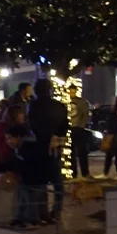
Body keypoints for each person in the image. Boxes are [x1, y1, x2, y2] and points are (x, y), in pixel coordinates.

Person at [28, 78, 69, 224]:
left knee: (40, 180)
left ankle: (42, 211)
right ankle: (57, 208)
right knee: (57, 179)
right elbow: (65, 127)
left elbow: (31, 125)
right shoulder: (60, 106)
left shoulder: (34, 106)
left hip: (39, 145)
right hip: (55, 145)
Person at [5, 123, 49, 228]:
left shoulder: (28, 148)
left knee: (31, 199)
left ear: (19, 137)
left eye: (10, 138)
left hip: (33, 178)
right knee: (23, 197)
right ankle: (20, 218)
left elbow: (27, 164)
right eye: (7, 139)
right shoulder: (22, 147)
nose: (8, 141)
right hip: (28, 178)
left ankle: (32, 220)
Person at [69, 89, 92, 179]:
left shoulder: (81, 102)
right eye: (71, 91)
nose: (72, 93)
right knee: (71, 153)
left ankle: (85, 172)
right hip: (70, 129)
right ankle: (73, 173)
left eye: (73, 91)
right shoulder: (66, 101)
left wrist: (82, 125)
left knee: (82, 151)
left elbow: (86, 114)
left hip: (79, 129)